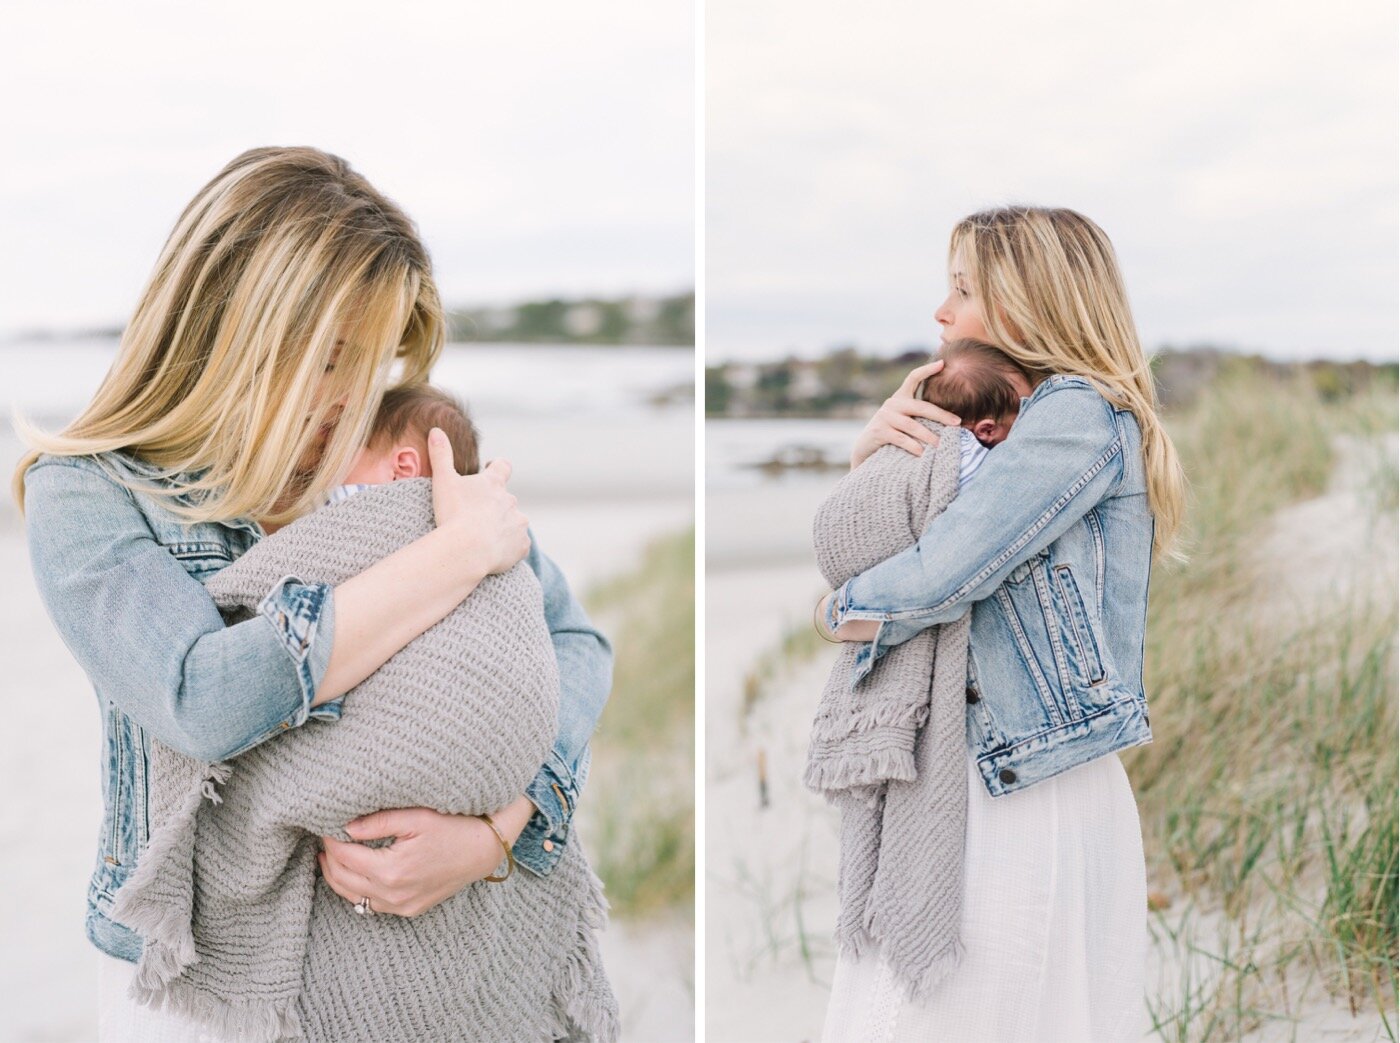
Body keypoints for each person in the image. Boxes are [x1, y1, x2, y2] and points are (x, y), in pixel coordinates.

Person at [14, 146, 612, 1040]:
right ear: (240, 323)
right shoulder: (90, 494)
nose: (350, 398)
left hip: (412, 970)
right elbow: (201, 698)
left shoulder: (376, 466)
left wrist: (500, 832)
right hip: (205, 986)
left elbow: (571, 640)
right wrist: (453, 556)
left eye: (367, 361)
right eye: (334, 356)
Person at [816, 205, 1186, 1043]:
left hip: (1029, 784)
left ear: (1029, 303)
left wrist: (837, 612)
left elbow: (948, 568)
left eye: (963, 289)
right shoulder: (1000, 430)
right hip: (983, 769)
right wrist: (870, 455)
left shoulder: (1081, 416)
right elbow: (881, 538)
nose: (941, 313)